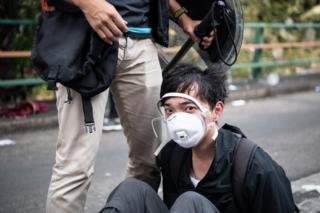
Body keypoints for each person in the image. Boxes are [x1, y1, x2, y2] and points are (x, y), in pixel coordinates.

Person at [45, 0, 215, 213]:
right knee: (75, 166)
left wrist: (183, 16)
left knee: (148, 162)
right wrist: (89, 4)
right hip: (85, 35)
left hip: (141, 41)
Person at [99, 64, 297, 213]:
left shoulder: (254, 165)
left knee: (190, 202)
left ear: (216, 110)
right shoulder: (172, 155)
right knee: (131, 190)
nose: (177, 118)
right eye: (169, 110)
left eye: (189, 108)